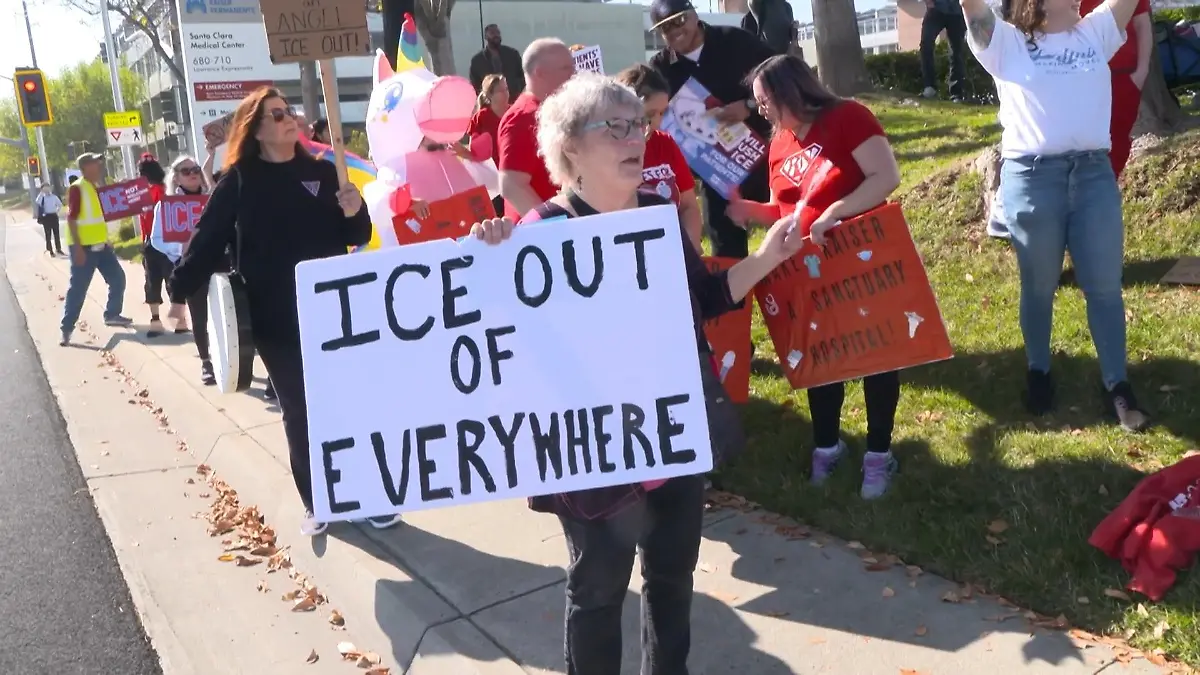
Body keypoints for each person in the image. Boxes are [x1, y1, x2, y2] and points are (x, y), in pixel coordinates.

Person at [469, 71, 806, 675]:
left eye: (639, 126)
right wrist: (488, 259)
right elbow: (506, 345)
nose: (636, 139)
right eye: (616, 128)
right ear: (571, 146)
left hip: (671, 437)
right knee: (597, 594)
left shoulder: (656, 214)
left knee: (672, 581)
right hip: (593, 453)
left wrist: (767, 256)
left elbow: (706, 296)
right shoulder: (540, 233)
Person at [166, 87, 399, 534]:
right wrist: (176, 293)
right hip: (274, 317)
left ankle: (369, 494)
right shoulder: (238, 182)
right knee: (301, 408)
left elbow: (355, 234)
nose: (288, 118)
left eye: (288, 111)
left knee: (351, 404)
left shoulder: (326, 173)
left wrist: (355, 211)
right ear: (255, 130)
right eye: (276, 114)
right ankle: (319, 500)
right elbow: (206, 241)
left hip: (335, 311)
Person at [962, 0, 1149, 431]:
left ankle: (1118, 385)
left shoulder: (1095, 31)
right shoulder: (1005, 42)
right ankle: (1039, 372)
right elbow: (971, 8)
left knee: (1104, 286)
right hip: (1032, 179)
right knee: (1039, 285)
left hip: (1093, 176)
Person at [728, 55, 904, 498]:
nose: (761, 111)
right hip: (807, 269)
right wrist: (752, 212)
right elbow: (785, 209)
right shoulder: (779, 144)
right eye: (757, 103)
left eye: (765, 101)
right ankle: (827, 446)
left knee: (877, 354)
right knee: (820, 357)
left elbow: (885, 176)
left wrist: (836, 212)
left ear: (791, 90)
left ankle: (878, 455)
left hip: (861, 258)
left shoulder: (848, 117)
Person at [648, 0, 775, 259]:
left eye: (679, 21)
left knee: (786, 228)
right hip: (715, 169)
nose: (674, 31)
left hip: (764, 156)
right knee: (725, 252)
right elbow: (648, 108)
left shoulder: (735, 41)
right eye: (665, 28)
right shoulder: (660, 68)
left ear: (694, 15)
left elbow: (781, 77)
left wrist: (749, 105)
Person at [614, 64, 703, 250]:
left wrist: (690, 247)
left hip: (671, 247)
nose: (656, 122)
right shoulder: (606, 149)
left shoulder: (665, 143)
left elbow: (689, 206)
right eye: (649, 114)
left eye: (662, 113)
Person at [149, 156, 217, 386]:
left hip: (219, 262)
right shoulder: (167, 205)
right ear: (176, 177)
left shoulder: (213, 198)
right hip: (190, 265)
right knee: (200, 315)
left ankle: (231, 360)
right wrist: (181, 248)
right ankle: (206, 362)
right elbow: (156, 239)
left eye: (195, 169)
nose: (193, 174)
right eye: (186, 171)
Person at [498, 38, 576, 220]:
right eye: (566, 68)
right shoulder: (524, 117)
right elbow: (511, 185)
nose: (574, 74)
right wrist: (552, 224)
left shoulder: (543, 110)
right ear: (540, 73)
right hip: (544, 233)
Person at [60, 153, 132, 346]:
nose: (99, 165)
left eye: (99, 162)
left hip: (101, 247)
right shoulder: (78, 188)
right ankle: (66, 329)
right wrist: (78, 249)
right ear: (85, 167)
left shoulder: (94, 187)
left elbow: (100, 214)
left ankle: (112, 314)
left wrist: (106, 240)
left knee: (118, 278)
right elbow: (71, 219)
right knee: (78, 289)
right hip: (83, 248)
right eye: (95, 162)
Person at [138, 154, 179, 338]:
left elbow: (146, 221)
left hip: (152, 242)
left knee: (152, 281)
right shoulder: (166, 190)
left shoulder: (144, 193)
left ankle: (156, 321)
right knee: (173, 280)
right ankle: (180, 321)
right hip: (169, 241)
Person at [468, 74, 511, 216]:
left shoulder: (514, 113)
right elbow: (473, 151)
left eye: (506, 89)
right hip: (492, 181)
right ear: (490, 95)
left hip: (514, 176)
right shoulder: (481, 117)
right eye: (501, 91)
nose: (506, 93)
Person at [920, 0, 969, 102]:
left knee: (956, 52)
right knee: (926, 44)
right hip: (937, 8)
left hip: (957, 11)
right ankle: (930, 87)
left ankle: (956, 94)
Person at [469, 24, 525, 98]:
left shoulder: (512, 54)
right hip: (491, 101)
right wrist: (485, 97)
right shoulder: (477, 60)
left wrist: (517, 87)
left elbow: (522, 75)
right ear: (485, 37)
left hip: (513, 98)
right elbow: (475, 84)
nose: (496, 35)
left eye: (498, 32)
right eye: (492, 33)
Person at [34, 182, 64, 256]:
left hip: (54, 216)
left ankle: (58, 249)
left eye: (48, 187)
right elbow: (37, 201)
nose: (47, 189)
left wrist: (56, 211)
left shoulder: (54, 197)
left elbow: (60, 204)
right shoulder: (42, 197)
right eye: (45, 188)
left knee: (56, 233)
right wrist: (41, 193)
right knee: (48, 234)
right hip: (46, 217)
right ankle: (50, 250)